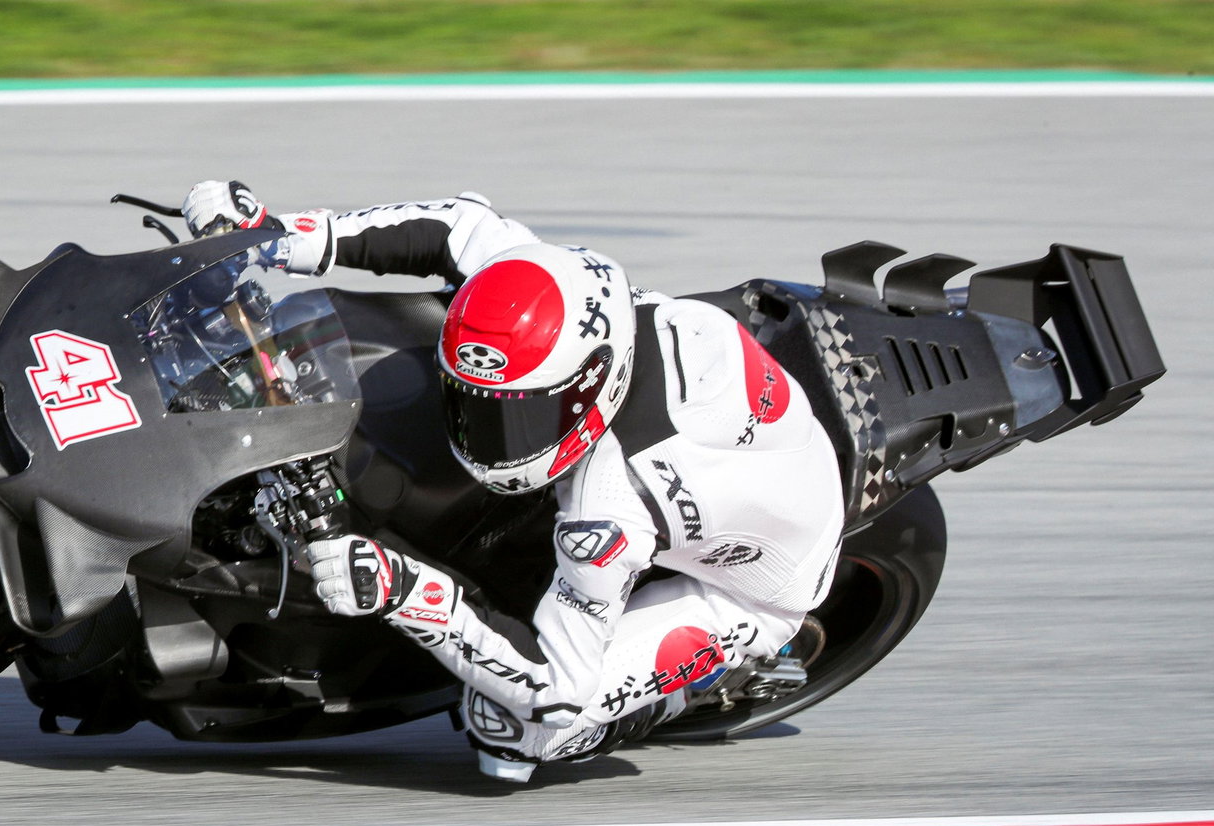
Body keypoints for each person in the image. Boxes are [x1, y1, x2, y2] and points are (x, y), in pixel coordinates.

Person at [181, 181, 846, 782]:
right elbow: (456, 225)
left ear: (591, 383)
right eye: (475, 404)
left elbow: (555, 680)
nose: (482, 429)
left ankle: (701, 681)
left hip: (751, 584)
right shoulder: (555, 287)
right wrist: (278, 235)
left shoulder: (608, 508)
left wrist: (405, 588)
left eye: (516, 417)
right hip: (728, 416)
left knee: (515, 728)